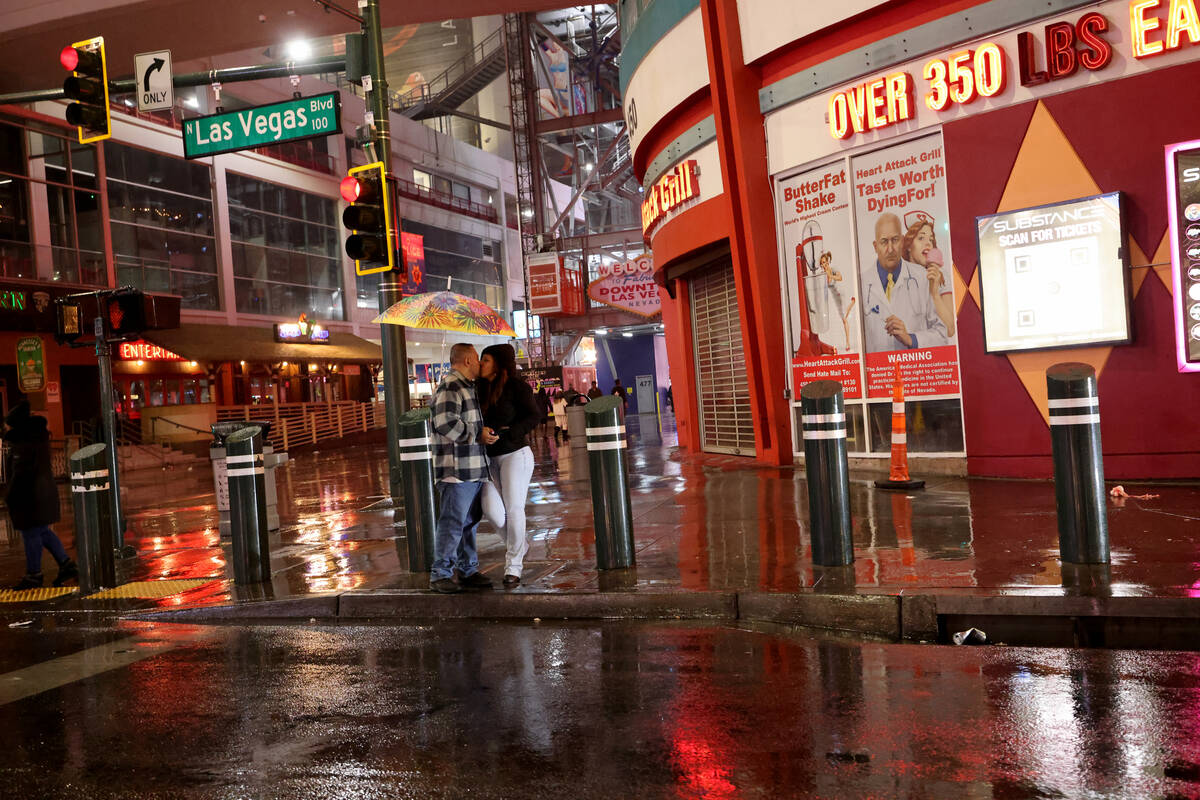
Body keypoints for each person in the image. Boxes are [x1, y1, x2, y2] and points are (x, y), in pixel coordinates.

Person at [429, 343, 496, 594]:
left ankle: (467, 569)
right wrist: (476, 434)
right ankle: (441, 574)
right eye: (477, 359)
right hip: (456, 470)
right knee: (453, 522)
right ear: (468, 360)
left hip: (470, 468)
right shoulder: (451, 387)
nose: (479, 363)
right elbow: (445, 423)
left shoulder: (466, 387)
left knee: (468, 522)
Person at [476, 344, 540, 587]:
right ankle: (520, 544)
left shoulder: (517, 387)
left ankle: (513, 566)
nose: (482, 363)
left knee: (514, 509)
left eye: (487, 360)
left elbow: (535, 415)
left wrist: (510, 432)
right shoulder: (479, 388)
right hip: (489, 458)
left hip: (516, 454)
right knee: (491, 510)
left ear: (499, 363)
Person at [5, 402, 76, 590]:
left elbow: (20, 474)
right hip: (41, 495)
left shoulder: (24, 443)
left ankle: (34, 574)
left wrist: (10, 495)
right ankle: (66, 564)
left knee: (31, 534)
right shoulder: (35, 438)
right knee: (42, 531)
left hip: (30, 497)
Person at [862, 213, 949, 353]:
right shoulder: (862, 283)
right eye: (884, 241)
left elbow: (942, 335)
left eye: (895, 240)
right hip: (878, 372)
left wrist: (911, 339)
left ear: (902, 241)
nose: (890, 249)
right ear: (875, 246)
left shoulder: (922, 277)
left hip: (913, 370)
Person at [902, 218, 956, 338]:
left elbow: (950, 330)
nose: (928, 243)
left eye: (931, 239)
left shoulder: (941, 276)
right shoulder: (900, 277)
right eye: (921, 238)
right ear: (909, 246)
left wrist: (935, 293)